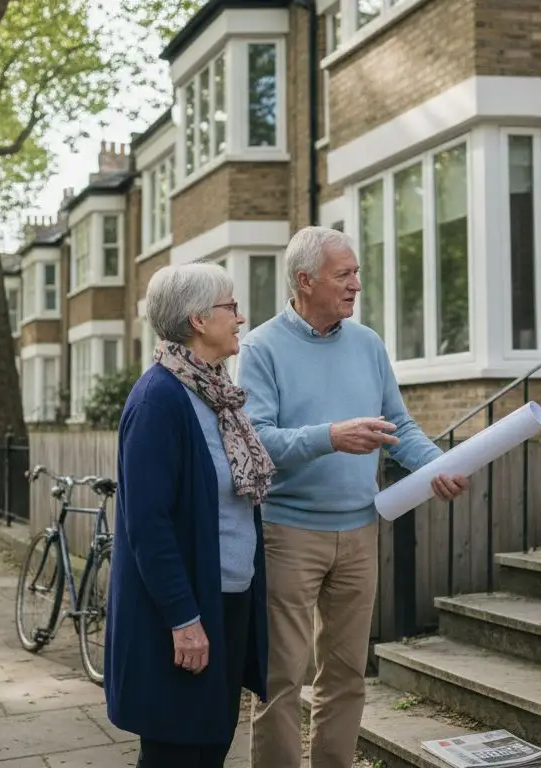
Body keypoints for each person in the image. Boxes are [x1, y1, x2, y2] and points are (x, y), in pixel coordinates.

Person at [239, 226, 469, 767]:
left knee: (345, 674)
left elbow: (400, 426)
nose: (356, 285)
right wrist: (331, 437)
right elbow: (256, 441)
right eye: (344, 275)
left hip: (361, 530)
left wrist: (439, 466)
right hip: (288, 534)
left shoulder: (367, 343)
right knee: (281, 677)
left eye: (356, 273)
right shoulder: (260, 347)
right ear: (304, 280)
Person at [105, 262, 276, 767]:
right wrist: (184, 619)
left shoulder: (216, 394)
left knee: (208, 748)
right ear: (198, 319)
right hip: (187, 613)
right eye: (230, 306)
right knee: (176, 753)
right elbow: (148, 524)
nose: (240, 317)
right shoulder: (159, 399)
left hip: (227, 601)